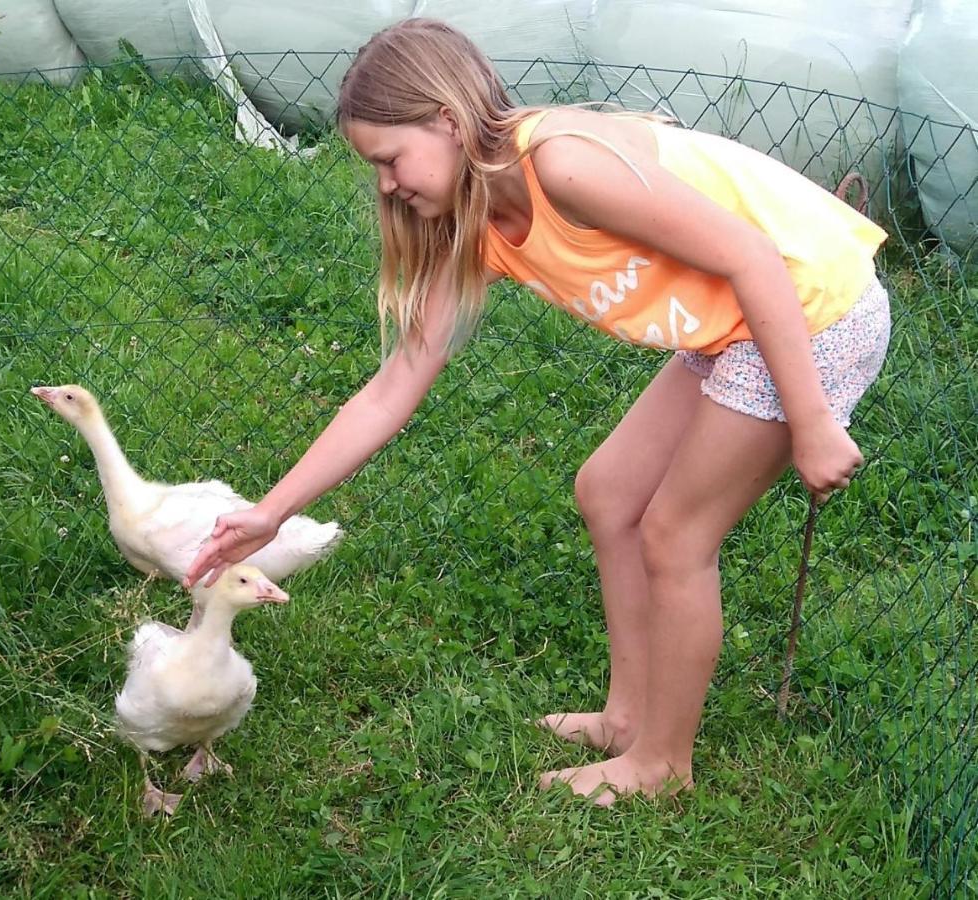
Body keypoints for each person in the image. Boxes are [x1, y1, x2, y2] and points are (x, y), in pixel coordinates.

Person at [183, 18, 891, 805]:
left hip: (809, 311)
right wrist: (272, 512)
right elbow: (392, 387)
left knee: (676, 533)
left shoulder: (561, 165)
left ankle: (661, 765)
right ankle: (627, 718)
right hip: (735, 323)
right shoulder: (476, 223)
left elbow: (752, 257)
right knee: (609, 492)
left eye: (389, 158)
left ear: (446, 122)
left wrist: (814, 423)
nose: (384, 184)